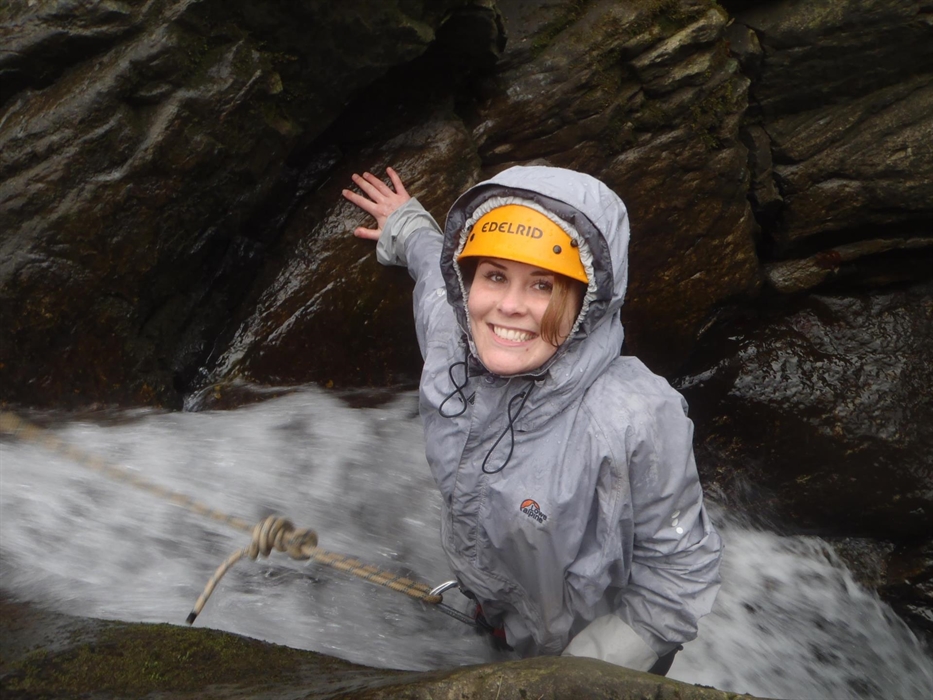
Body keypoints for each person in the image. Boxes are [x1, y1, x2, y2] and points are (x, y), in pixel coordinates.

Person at [342, 165, 722, 676]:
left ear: (587, 303)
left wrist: (575, 676)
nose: (509, 307)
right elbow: (433, 269)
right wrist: (406, 223)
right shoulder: (451, 339)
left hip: (597, 655)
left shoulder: (636, 417)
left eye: (543, 285)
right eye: (495, 275)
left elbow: (679, 570)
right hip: (497, 612)